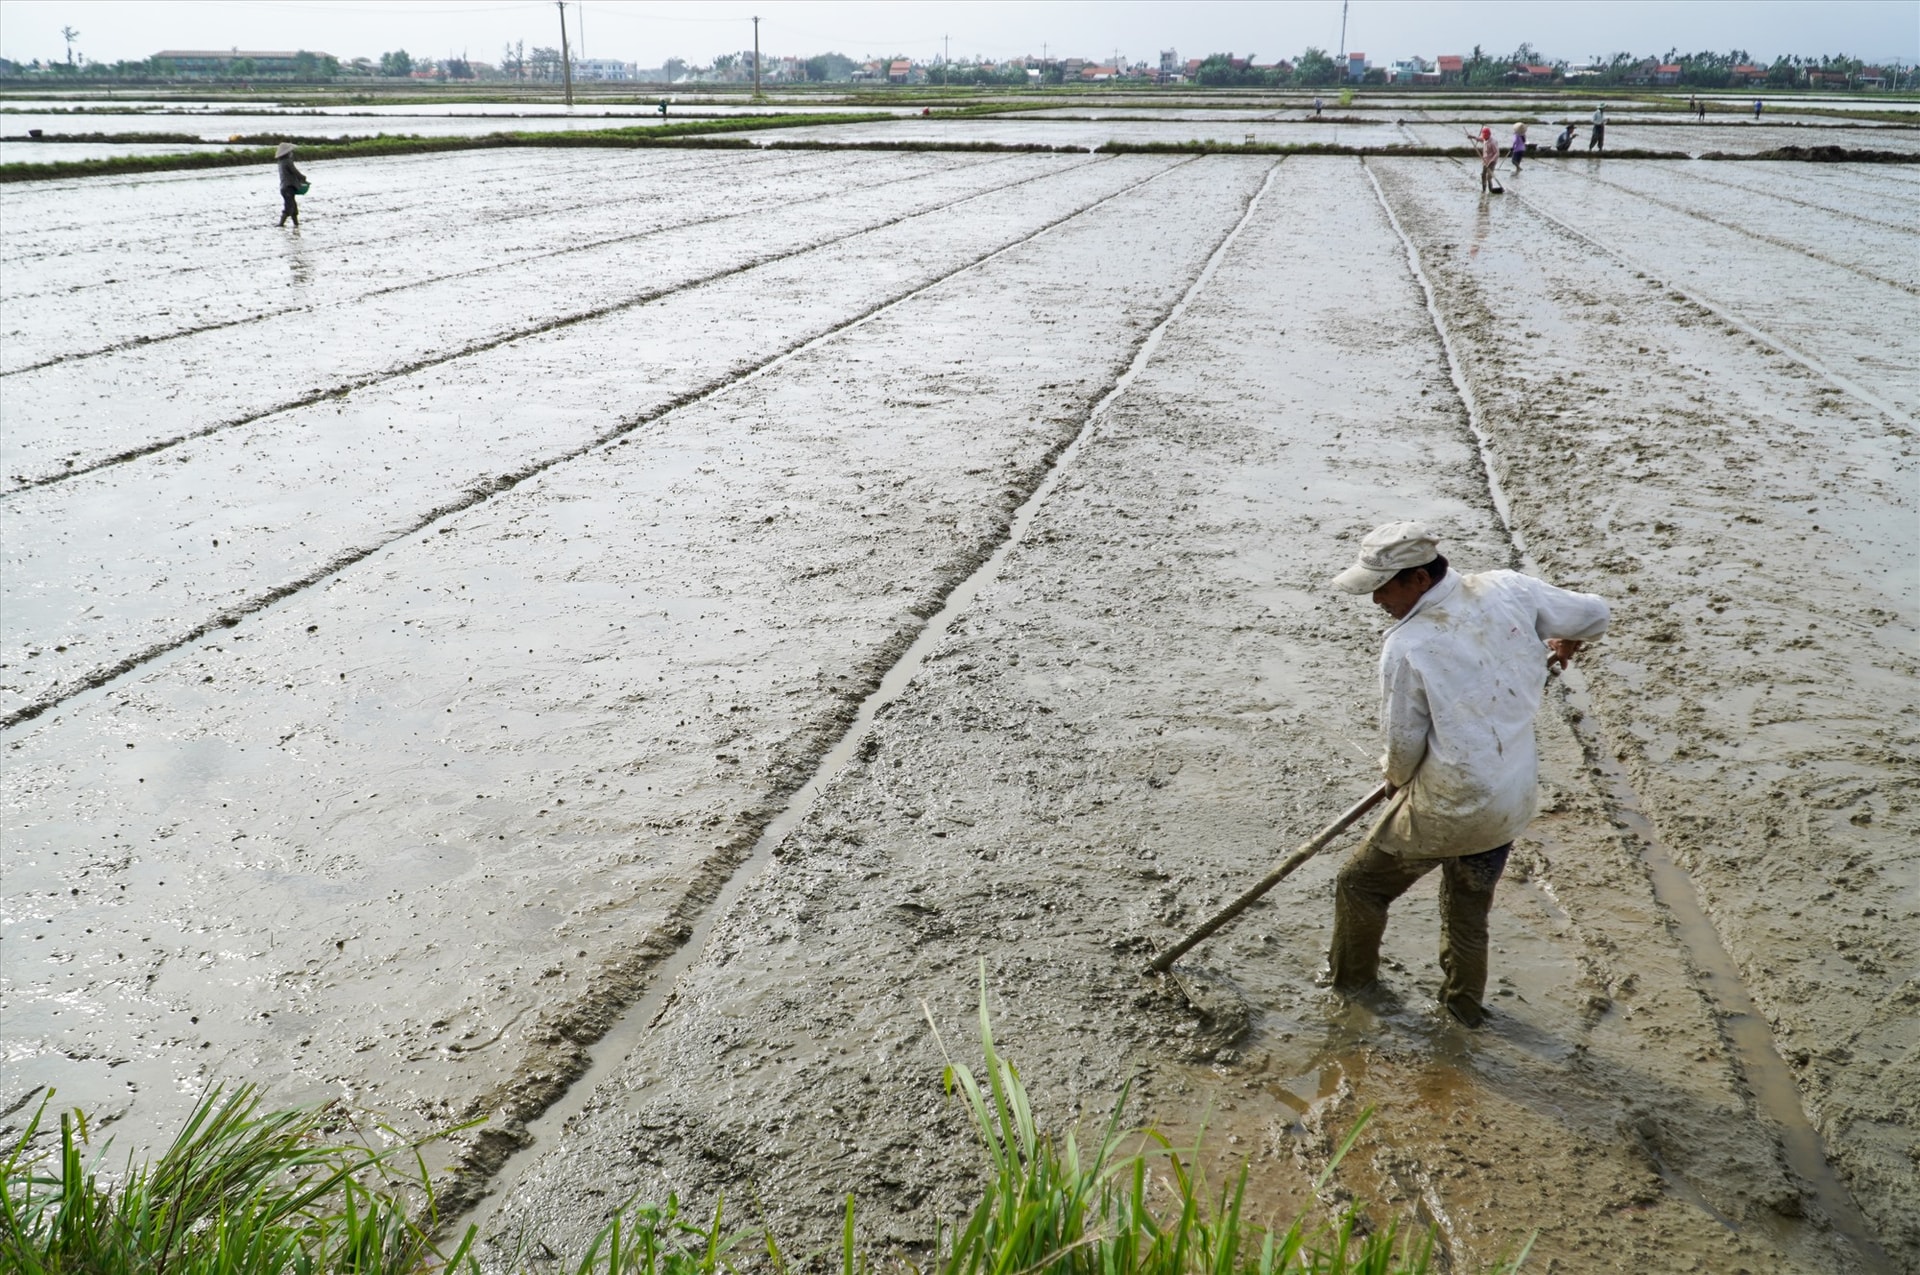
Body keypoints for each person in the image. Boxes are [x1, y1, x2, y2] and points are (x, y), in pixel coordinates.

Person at [1325, 521, 1611, 1027]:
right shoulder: (1509, 588)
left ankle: (1353, 991)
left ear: (1416, 579)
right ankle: (1463, 1011)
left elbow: (1404, 745)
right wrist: (1568, 641)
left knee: (1359, 886)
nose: (1376, 601)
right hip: (1509, 798)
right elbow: (1594, 614)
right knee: (1468, 910)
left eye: (1383, 588)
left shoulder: (1408, 645)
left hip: (1451, 801)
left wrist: (1394, 778)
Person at [275, 141, 306, 228]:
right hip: (288, 187)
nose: (291, 153)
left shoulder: (280, 162)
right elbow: (294, 171)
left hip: (284, 187)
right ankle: (281, 223)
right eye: (290, 152)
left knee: (293, 205)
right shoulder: (287, 161)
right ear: (287, 153)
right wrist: (302, 177)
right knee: (289, 206)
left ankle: (296, 224)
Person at [1465, 125, 1499, 192]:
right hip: (1485, 160)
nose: (1485, 138)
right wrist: (1472, 137)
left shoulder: (1493, 142)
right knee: (1483, 175)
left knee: (1489, 177)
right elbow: (1480, 139)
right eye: (1484, 137)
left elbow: (1497, 153)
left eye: (1486, 137)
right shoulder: (1484, 139)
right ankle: (1483, 190)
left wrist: (1491, 161)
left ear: (1489, 135)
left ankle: (1491, 190)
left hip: (1492, 161)